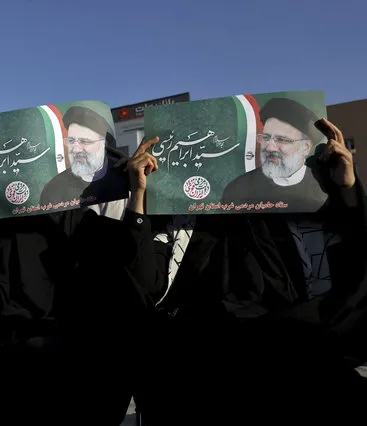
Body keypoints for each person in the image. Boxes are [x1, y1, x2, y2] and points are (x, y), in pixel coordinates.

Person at [136, 119, 367, 422]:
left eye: (282, 140)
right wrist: (139, 197)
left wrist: (347, 189)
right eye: (266, 139)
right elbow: (145, 284)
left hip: (296, 366)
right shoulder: (183, 222)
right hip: (196, 375)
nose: (272, 148)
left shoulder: (301, 212)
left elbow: (353, 270)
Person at [0, 139, 167, 426]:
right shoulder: (0, 227)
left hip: (66, 383)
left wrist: (138, 194)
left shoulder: (85, 226)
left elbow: (140, 278)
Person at [222, 97, 328, 212]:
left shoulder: (324, 188)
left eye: (282, 139)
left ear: (306, 147)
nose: (269, 147)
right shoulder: (238, 189)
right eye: (266, 137)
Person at [39, 106, 129, 209]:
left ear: (104, 144)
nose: (75, 149)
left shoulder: (127, 178)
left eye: (85, 141)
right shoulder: (54, 189)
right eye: (71, 141)